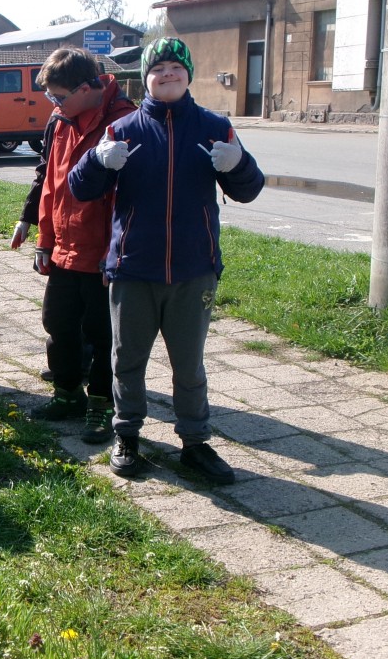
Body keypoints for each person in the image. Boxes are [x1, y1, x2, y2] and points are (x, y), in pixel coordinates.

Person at [68, 37, 264, 484]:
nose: (167, 74)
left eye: (176, 66)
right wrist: (97, 160)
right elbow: (80, 188)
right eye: (157, 69)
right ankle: (127, 435)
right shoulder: (123, 130)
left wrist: (239, 163)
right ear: (146, 79)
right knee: (127, 360)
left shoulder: (215, 127)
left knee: (189, 365)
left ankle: (195, 443)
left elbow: (248, 190)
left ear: (188, 74)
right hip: (133, 269)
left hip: (194, 271)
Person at [11, 48, 136, 444]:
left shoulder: (125, 122)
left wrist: (116, 254)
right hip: (64, 247)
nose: (54, 102)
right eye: (51, 96)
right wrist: (42, 237)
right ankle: (66, 393)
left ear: (86, 88)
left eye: (59, 95)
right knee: (58, 324)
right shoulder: (60, 120)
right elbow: (51, 182)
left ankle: (101, 404)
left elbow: (130, 198)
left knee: (103, 334)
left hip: (103, 254)